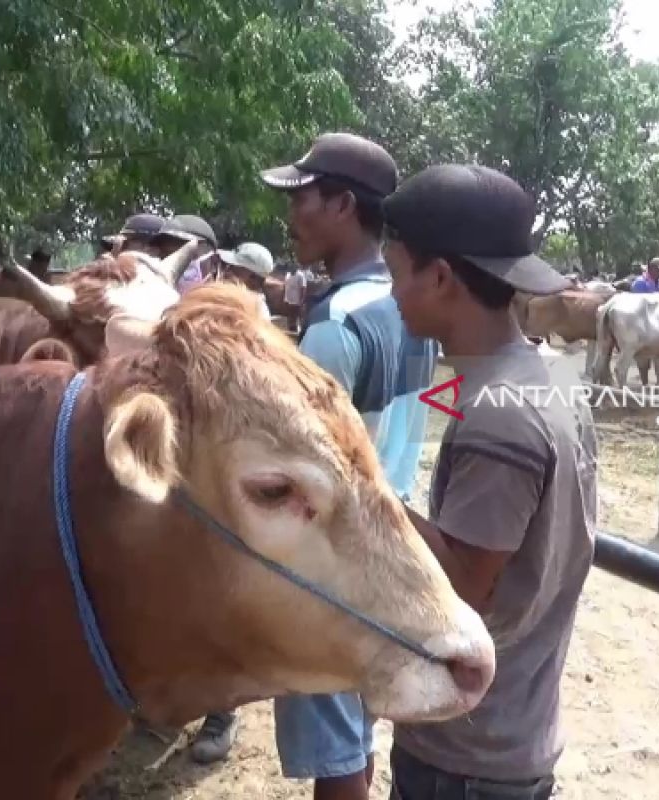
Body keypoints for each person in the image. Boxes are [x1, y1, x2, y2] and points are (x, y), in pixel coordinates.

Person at [381, 164, 597, 800]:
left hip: (467, 761)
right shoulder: (547, 375)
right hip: (511, 738)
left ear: (441, 276)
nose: (392, 294)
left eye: (397, 274)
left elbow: (465, 588)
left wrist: (364, 491)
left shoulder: (498, 415)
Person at [252, 132, 439, 795]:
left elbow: (303, 464)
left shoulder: (335, 326)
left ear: (341, 205)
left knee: (332, 746)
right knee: (355, 732)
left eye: (300, 196)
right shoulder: (407, 304)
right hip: (393, 533)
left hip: (334, 554)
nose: (290, 212)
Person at [217, 242, 275, 319]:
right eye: (228, 265)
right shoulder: (230, 300)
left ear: (253, 278)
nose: (227, 270)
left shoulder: (256, 313)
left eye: (234, 267)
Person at [283, 263, 310, 332]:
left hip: (296, 300)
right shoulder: (288, 275)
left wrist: (302, 300)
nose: (291, 267)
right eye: (290, 266)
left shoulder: (300, 275)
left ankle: (299, 331)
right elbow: (285, 286)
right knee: (290, 315)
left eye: (293, 266)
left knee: (297, 316)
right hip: (288, 299)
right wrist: (285, 297)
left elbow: (303, 288)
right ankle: (291, 329)